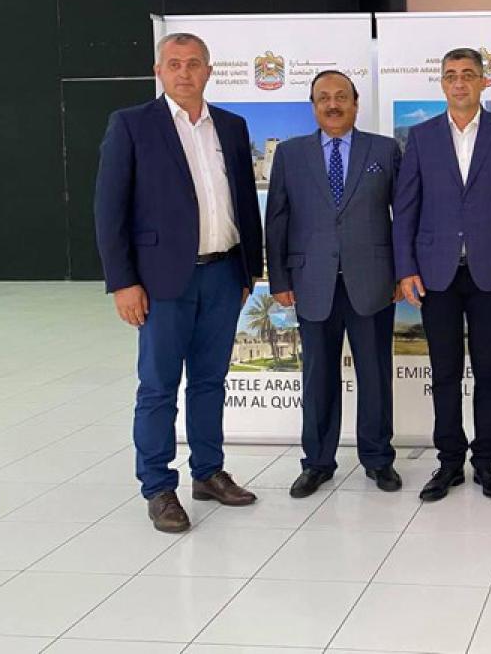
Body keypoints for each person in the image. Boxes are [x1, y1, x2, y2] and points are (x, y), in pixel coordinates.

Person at [95, 32, 263, 533]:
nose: (184, 72)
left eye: (193, 63)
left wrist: (248, 271)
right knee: (159, 387)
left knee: (210, 382)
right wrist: (123, 282)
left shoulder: (231, 126)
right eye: (174, 64)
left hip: (224, 274)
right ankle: (158, 486)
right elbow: (109, 209)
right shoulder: (131, 125)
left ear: (209, 70)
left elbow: (244, 200)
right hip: (161, 280)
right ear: (159, 71)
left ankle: (208, 472)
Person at [392, 48, 491, 502]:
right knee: (445, 373)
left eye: (468, 74)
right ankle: (450, 462)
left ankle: (487, 464)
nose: (459, 82)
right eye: (451, 75)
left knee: (489, 372)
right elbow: (406, 208)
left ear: (483, 82)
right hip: (435, 275)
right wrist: (405, 269)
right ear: (442, 83)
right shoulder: (420, 137)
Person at [265, 70, 402, 498]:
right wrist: (279, 279)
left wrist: (402, 273)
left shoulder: (384, 150)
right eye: (323, 97)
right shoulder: (290, 154)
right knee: (318, 376)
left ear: (356, 103)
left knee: (375, 375)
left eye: (341, 96)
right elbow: (277, 219)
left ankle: (378, 459)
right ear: (313, 106)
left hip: (373, 281)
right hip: (312, 282)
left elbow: (404, 215)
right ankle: (318, 463)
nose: (333, 104)